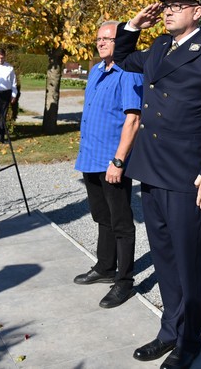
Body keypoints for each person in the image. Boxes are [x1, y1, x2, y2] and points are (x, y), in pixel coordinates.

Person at [114, 0, 201, 369]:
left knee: (187, 262)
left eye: (177, 6)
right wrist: (133, 25)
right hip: (152, 170)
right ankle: (169, 329)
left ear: (197, 12)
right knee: (165, 257)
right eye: (166, 5)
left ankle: (189, 339)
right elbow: (122, 58)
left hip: (187, 178)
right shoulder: (158, 46)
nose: (168, 11)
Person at [73, 21, 143, 308]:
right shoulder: (95, 71)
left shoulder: (128, 72)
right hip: (90, 157)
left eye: (108, 38)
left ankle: (124, 281)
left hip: (112, 161)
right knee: (102, 216)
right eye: (98, 38)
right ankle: (104, 267)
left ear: (120, 41)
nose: (101, 43)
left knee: (121, 222)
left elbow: (133, 119)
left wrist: (119, 161)